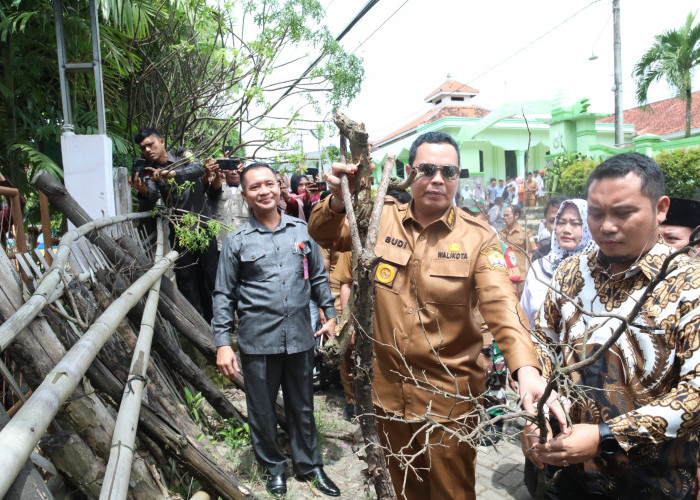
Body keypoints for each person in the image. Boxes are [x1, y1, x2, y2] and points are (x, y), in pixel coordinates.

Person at [308, 131, 565, 500]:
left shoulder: (479, 237)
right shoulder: (379, 220)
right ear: (410, 173)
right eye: (427, 169)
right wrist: (336, 198)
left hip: (449, 401)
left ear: (458, 177)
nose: (438, 179)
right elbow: (325, 232)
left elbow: (501, 304)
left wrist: (526, 370)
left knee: (450, 493)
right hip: (385, 394)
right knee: (398, 490)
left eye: (449, 171)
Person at [526, 152, 700, 499]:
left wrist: (604, 436)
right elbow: (542, 342)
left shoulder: (689, 285)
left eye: (623, 213)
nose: (606, 226)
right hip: (564, 476)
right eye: (596, 213)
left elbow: (696, 390)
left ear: (661, 208)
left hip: (649, 482)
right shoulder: (570, 272)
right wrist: (534, 411)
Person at [212, 163, 340, 498]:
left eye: (269, 184)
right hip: (258, 340)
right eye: (255, 187)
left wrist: (330, 313)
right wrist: (223, 343)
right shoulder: (236, 242)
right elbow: (223, 294)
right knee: (261, 409)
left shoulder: (300, 231)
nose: (264, 191)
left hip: (300, 336)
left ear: (279, 186)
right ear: (245, 195)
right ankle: (274, 469)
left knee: (302, 406)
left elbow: (317, 278)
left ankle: (310, 467)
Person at [128, 127, 219, 322]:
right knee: (186, 281)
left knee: (212, 278)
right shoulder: (148, 170)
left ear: (161, 142)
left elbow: (198, 168)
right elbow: (152, 196)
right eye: (143, 148)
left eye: (150, 145)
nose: (147, 151)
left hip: (204, 227)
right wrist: (142, 190)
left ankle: (219, 323)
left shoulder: (182, 154)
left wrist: (171, 173)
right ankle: (198, 325)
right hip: (180, 232)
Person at [520, 199, 597, 329]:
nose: (566, 229)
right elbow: (523, 318)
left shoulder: (599, 269)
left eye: (575, 224)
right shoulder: (539, 268)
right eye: (561, 223)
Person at [204, 158, 249, 250]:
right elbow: (215, 189)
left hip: (244, 245)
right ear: (225, 172)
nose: (233, 172)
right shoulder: (219, 186)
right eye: (230, 169)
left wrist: (246, 175)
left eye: (236, 169)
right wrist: (217, 174)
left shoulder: (249, 190)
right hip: (220, 244)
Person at [500, 204, 535, 298]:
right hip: (506, 277)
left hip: (521, 276)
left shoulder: (525, 232)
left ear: (516, 216)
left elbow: (531, 252)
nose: (504, 218)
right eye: (504, 215)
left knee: (523, 306)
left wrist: (528, 270)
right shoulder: (501, 234)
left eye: (507, 215)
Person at [533, 195, 568, 262]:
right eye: (552, 221)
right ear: (545, 224)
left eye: (563, 221)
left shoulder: (587, 257)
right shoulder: (540, 255)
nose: (558, 227)